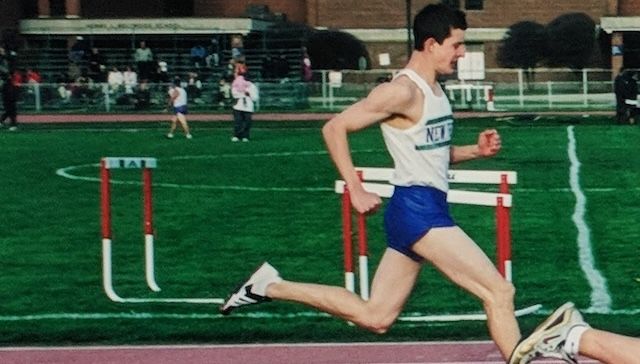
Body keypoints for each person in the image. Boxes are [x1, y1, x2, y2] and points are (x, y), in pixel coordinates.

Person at [220, 4, 640, 364]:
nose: (462, 53)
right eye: (456, 44)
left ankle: (267, 285)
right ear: (430, 43)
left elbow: (430, 153)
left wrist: (474, 151)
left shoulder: (437, 91)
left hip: (418, 209)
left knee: (376, 316)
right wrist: (357, 187)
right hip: (418, 210)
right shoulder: (401, 91)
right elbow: (335, 128)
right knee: (499, 290)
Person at [230, 71, 258, 142]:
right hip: (238, 106)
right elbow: (234, 94)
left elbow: (255, 97)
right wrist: (243, 94)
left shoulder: (252, 86)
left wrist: (248, 94)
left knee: (247, 122)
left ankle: (246, 136)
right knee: (238, 122)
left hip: (248, 107)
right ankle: (237, 135)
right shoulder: (236, 84)